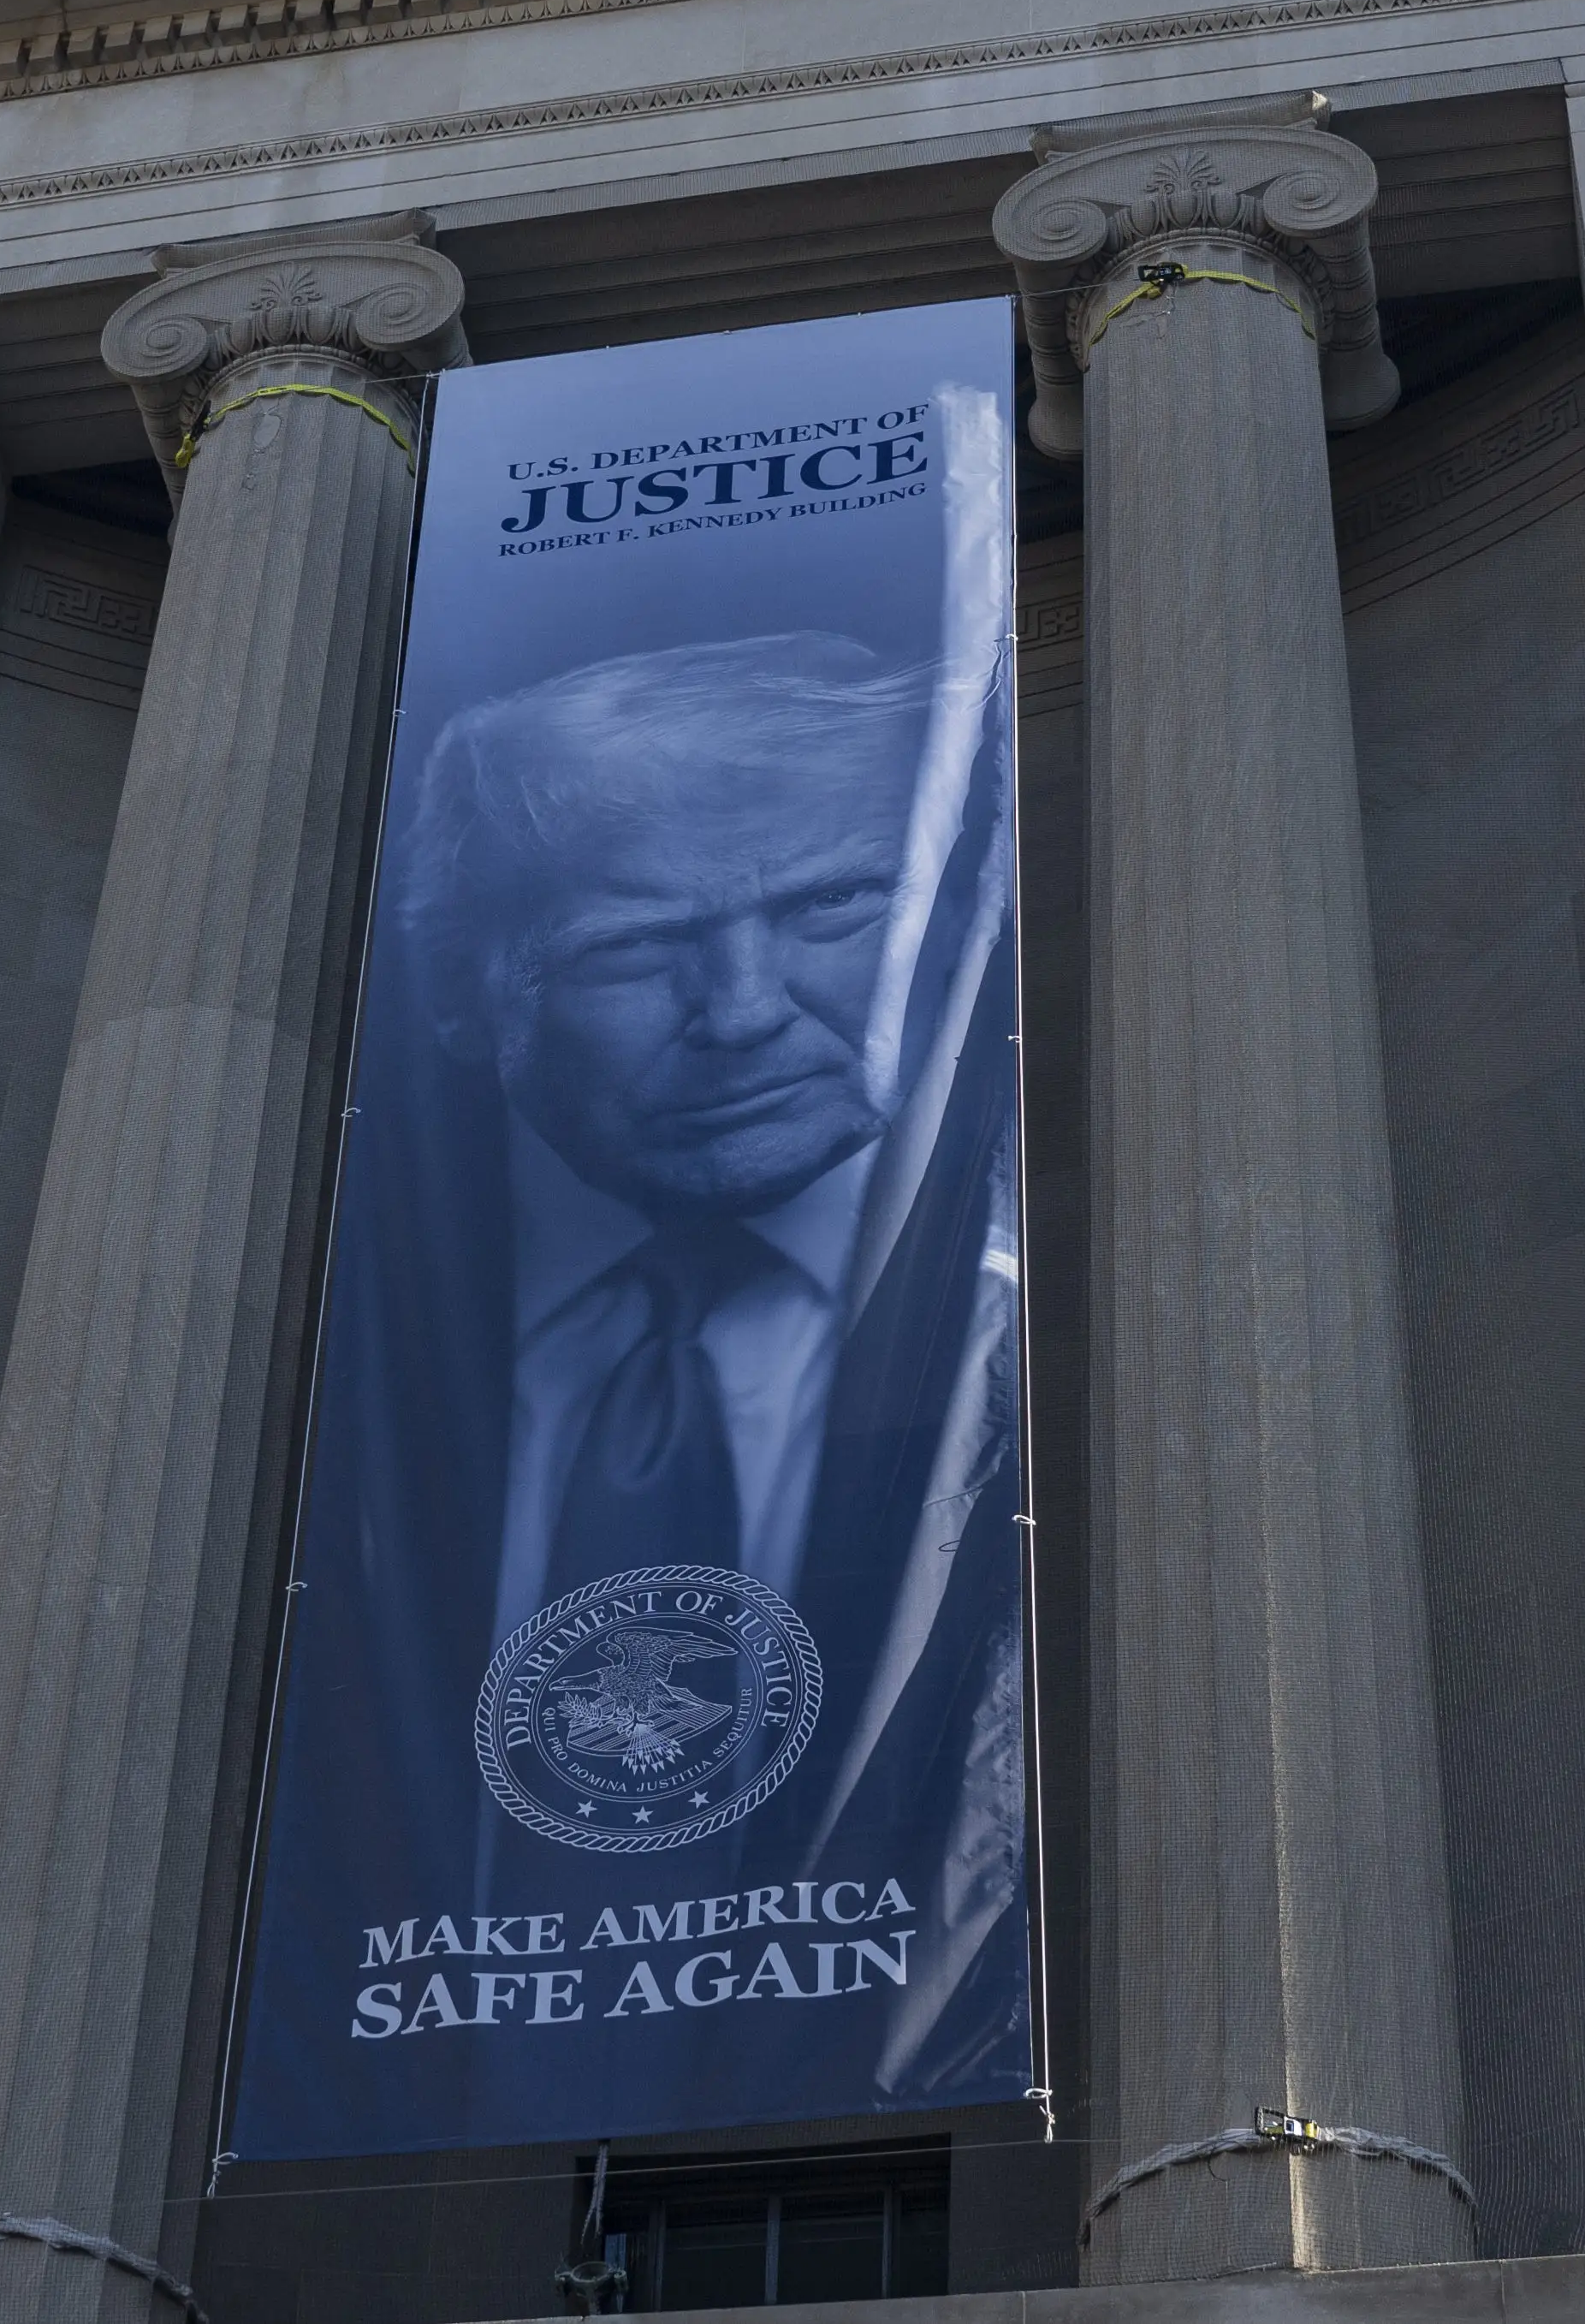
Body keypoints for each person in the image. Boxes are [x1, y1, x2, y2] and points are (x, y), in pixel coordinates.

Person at [246, 629, 1030, 2143]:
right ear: (474, 996)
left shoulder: (1028, 1303)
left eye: (832, 908)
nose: (738, 1009)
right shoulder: (348, 1329)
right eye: (624, 946)